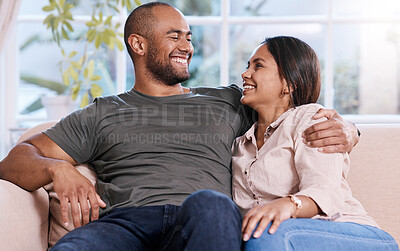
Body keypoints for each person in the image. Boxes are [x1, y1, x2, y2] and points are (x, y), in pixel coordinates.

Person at [0, 3, 359, 251]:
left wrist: (350, 131)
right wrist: (57, 168)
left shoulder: (228, 100)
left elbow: (289, 111)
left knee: (211, 204)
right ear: (138, 44)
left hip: (203, 219)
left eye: (188, 36)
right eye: (174, 36)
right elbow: (14, 161)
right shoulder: (101, 112)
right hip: (125, 223)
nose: (187, 46)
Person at [232, 36, 399, 250]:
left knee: (268, 231)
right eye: (248, 66)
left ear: (288, 84)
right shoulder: (240, 145)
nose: (245, 74)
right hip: (276, 239)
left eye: (258, 66)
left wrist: (288, 204)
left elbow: (326, 191)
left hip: (353, 234)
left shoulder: (309, 119)